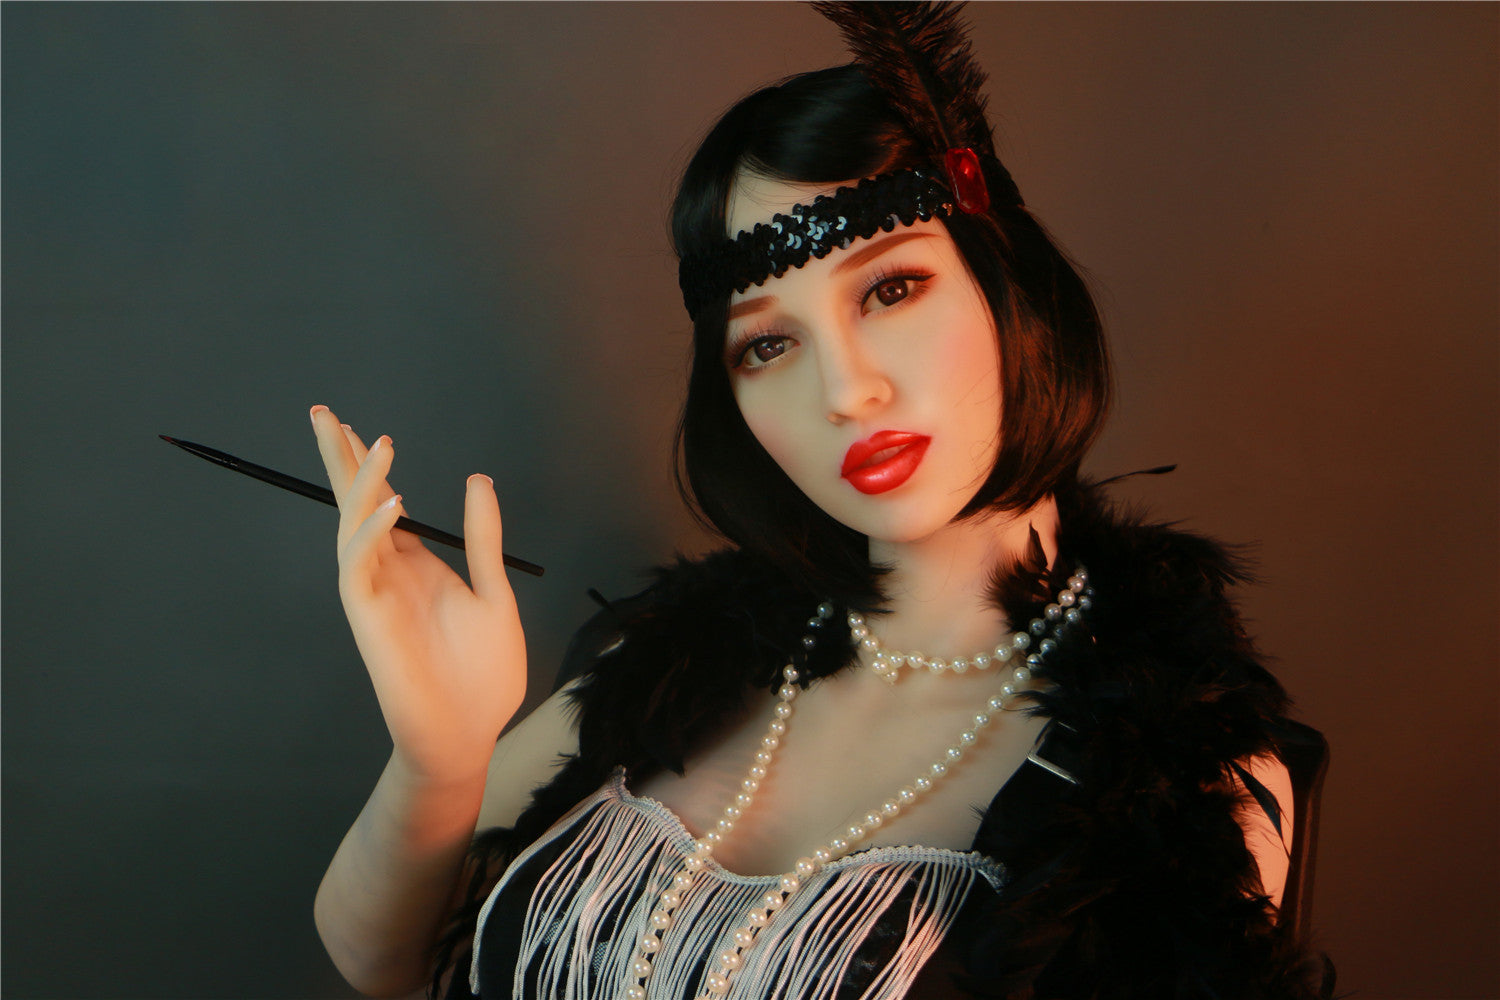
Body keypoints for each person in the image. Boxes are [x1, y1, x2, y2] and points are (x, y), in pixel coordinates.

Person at [310, 5, 1330, 998]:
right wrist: (439, 759)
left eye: (890, 291)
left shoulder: (1177, 782)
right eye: (768, 344)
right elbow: (381, 961)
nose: (844, 390)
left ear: (1004, 284)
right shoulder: (661, 662)